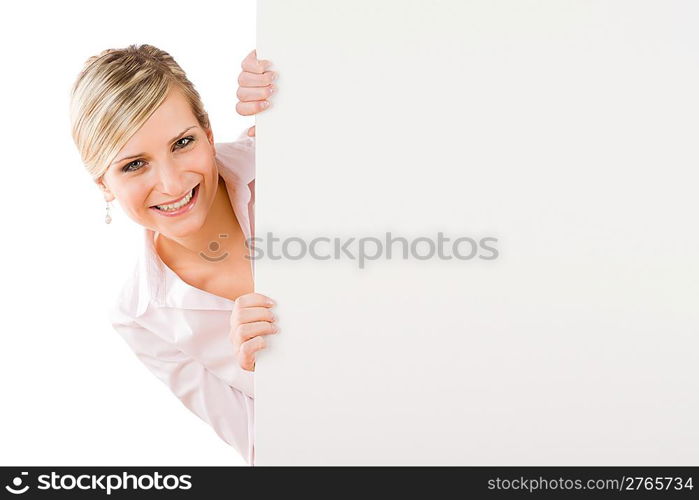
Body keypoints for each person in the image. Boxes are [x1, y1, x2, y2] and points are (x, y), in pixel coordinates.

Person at [69, 44, 279, 465]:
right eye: (133, 165)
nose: (171, 183)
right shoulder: (139, 316)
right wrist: (279, 375)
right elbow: (268, 452)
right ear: (104, 185)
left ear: (208, 131)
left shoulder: (281, 157)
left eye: (183, 142)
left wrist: (296, 79)